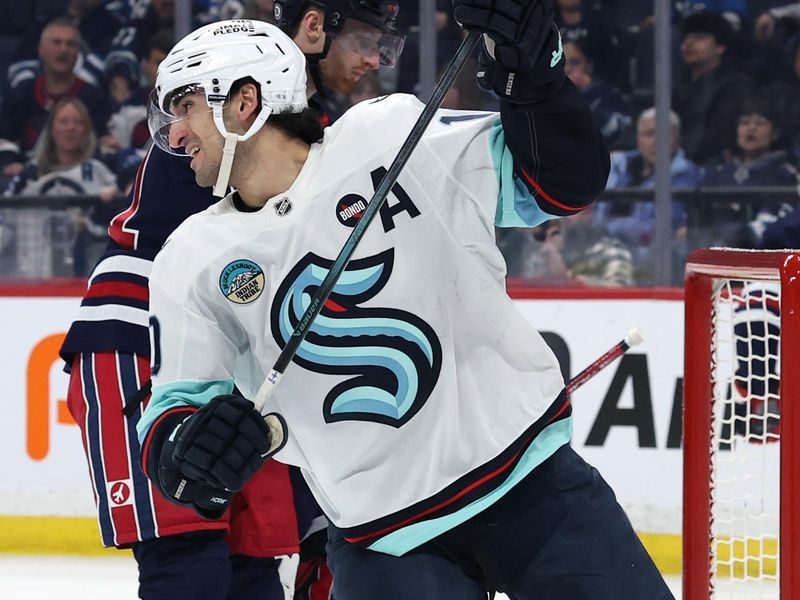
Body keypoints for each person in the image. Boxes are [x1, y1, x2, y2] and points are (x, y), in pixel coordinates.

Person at [137, 9, 673, 600]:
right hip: (386, 542)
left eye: (185, 107)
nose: (175, 134)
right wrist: (195, 454)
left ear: (244, 102)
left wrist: (536, 79)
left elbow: (556, 185)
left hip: (531, 484)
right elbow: (174, 414)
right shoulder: (191, 257)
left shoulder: (388, 135)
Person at [58, 4, 404, 600]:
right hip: (140, 337)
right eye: (366, 39)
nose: (374, 59)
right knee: (186, 557)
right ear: (315, 28)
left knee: (255, 558)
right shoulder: (223, 107)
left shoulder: (312, 129)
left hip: (237, 351)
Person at [3, 97, 118, 278]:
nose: (70, 128)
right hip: (34, 274)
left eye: (78, 122)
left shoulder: (98, 172)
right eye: (64, 121)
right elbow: (6, 221)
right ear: (52, 130)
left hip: (87, 272)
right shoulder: (30, 175)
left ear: (86, 130)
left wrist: (91, 223)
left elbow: (118, 222)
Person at [0, 17, 110, 179]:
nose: (63, 50)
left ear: (78, 53)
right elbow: (5, 138)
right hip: (27, 180)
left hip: (80, 180)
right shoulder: (22, 93)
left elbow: (99, 145)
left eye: (70, 44)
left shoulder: (94, 98)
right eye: (56, 43)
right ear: (41, 49)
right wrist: (10, 163)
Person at [674, 9, 752, 164]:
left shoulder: (735, 86)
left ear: (720, 47)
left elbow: (716, 136)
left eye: (699, 38)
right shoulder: (675, 84)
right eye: (685, 39)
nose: (688, 44)